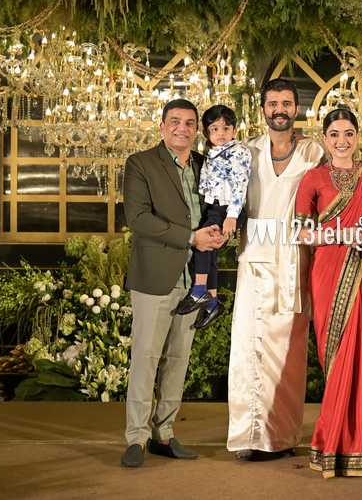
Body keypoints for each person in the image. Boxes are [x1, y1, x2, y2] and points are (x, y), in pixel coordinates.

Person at [120, 98, 225, 468]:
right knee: (145, 360)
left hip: (195, 280)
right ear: (162, 126)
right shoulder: (141, 163)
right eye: (175, 121)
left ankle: (163, 434)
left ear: (197, 130)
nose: (183, 128)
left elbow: (217, 209)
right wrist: (191, 237)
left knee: (178, 360)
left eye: (190, 123)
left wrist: (218, 232)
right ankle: (136, 438)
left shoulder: (205, 165)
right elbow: (138, 218)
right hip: (155, 277)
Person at [227, 78, 324, 461]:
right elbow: (227, 200)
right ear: (263, 109)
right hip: (253, 260)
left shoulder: (315, 151)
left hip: (294, 262)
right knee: (247, 349)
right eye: (273, 103)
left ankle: (280, 438)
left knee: (287, 353)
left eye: (286, 103)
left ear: (296, 109)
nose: (279, 109)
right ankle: (247, 436)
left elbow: (330, 199)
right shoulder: (246, 151)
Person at [294, 107, 362, 477]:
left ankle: (359, 444)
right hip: (328, 272)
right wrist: (342, 234)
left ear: (358, 136)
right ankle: (333, 442)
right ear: (324, 138)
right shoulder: (313, 178)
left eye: (348, 133)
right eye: (334, 134)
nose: (342, 141)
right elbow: (301, 232)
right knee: (336, 356)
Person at [172, 104, 251, 329]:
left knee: (203, 245)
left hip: (227, 209)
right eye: (214, 129)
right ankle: (212, 301)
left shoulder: (238, 151)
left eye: (226, 128)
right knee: (211, 253)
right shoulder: (213, 151)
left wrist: (232, 216)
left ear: (234, 130)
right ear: (207, 132)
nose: (221, 134)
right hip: (214, 206)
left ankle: (199, 291)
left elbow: (240, 185)